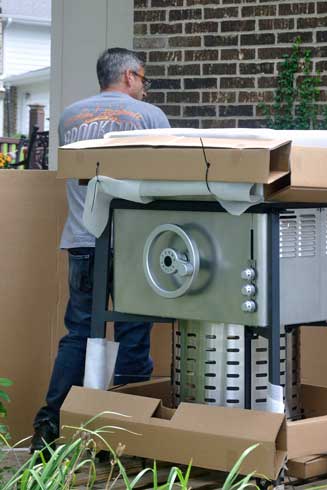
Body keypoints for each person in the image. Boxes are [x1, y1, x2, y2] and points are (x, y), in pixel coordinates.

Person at [31, 47, 170, 452]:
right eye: (143, 79)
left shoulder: (69, 116)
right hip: (131, 246)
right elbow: (165, 181)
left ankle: (50, 428)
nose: (145, 87)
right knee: (132, 336)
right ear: (129, 76)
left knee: (79, 334)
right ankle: (128, 433)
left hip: (82, 242)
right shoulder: (150, 118)